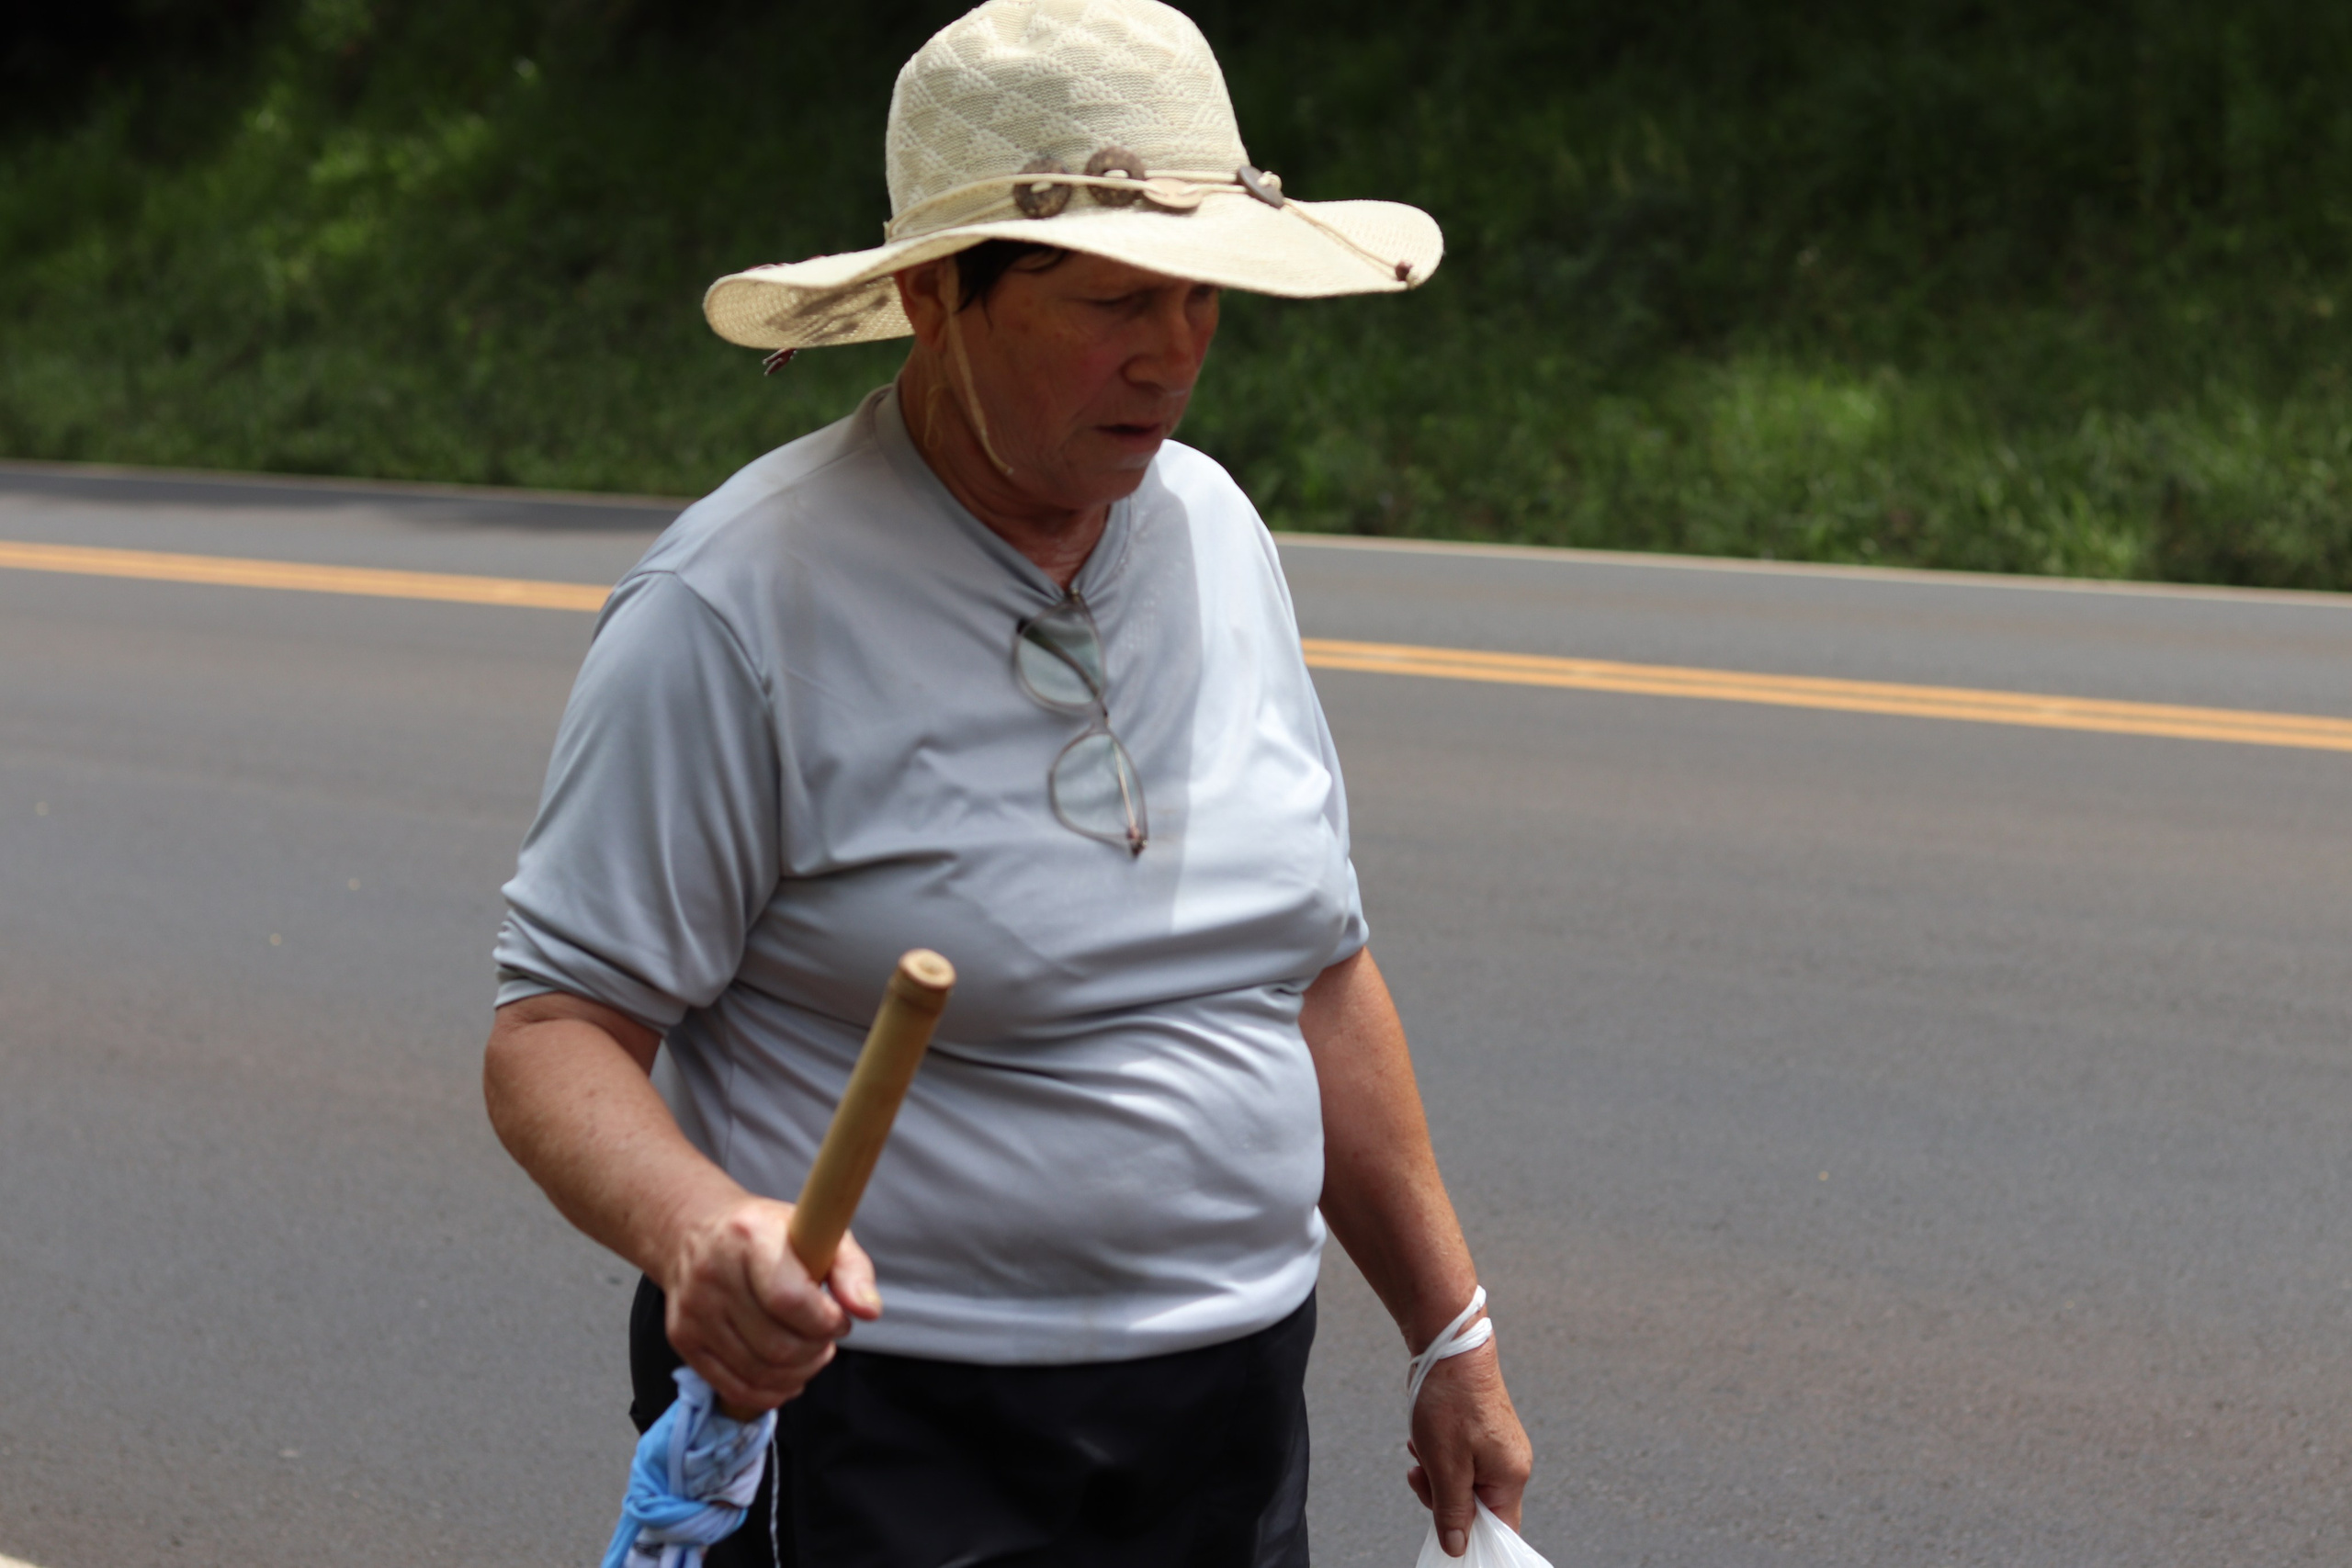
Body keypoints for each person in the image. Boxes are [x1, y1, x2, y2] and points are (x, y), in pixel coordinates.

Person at [481, 1, 1532, 1562]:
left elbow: (1312, 970)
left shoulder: (1218, 535)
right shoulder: (739, 604)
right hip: (889, 1423)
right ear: (934, 299)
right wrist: (703, 1231)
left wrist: (1452, 1331)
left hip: (1229, 1412)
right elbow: (556, 1029)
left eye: (1201, 299)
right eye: (1114, 298)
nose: (1172, 354)